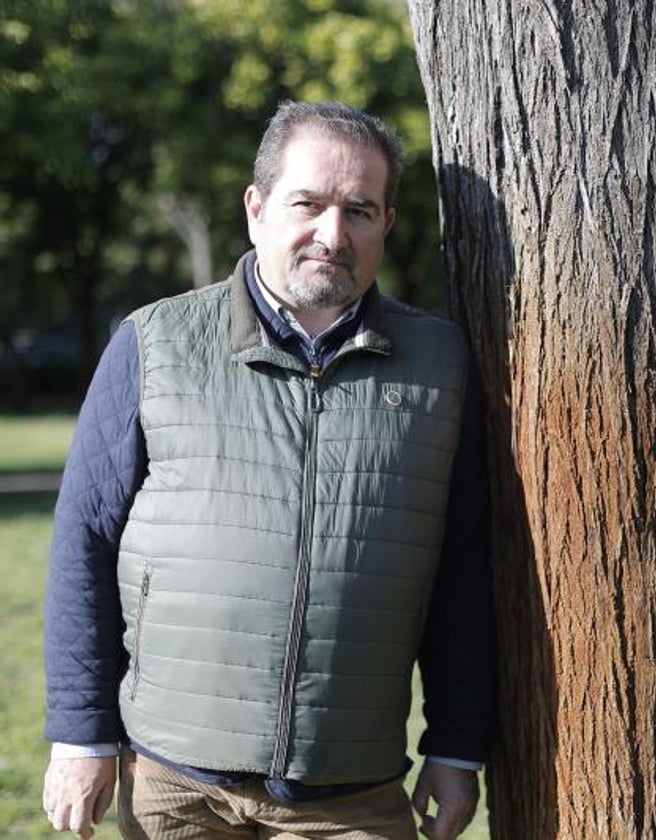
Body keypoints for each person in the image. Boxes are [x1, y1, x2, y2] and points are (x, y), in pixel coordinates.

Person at [41, 100, 495, 840]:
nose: (332, 234)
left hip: (355, 796)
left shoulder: (443, 365)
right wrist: (80, 735)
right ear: (256, 209)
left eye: (359, 209)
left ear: (386, 223)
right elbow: (82, 544)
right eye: (307, 203)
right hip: (175, 789)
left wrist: (455, 744)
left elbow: (465, 570)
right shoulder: (153, 343)